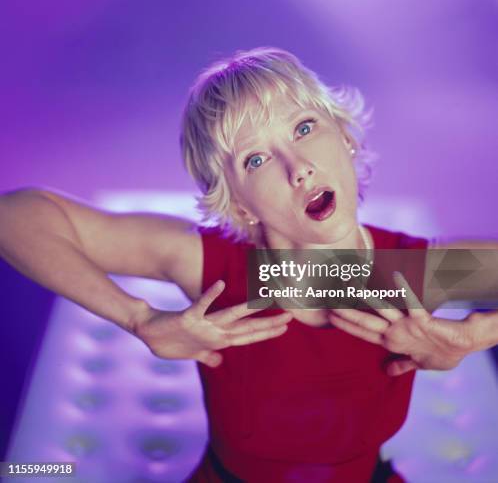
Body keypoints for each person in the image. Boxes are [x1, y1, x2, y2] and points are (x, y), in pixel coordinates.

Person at [0, 47, 496, 482]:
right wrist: (137, 318)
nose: (297, 167)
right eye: (255, 159)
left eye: (304, 128)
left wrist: (478, 335)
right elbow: (13, 217)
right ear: (238, 205)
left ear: (344, 136)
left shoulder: (401, 272)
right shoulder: (212, 266)